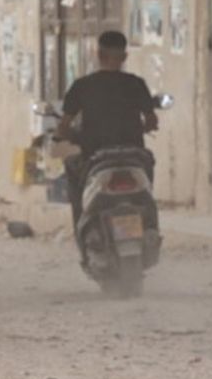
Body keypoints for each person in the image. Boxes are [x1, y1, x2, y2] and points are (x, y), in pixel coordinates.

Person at [56, 31, 158, 231]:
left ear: (98, 55)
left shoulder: (82, 86)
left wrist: (66, 135)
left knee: (71, 167)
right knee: (147, 175)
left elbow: (64, 125)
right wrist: (143, 127)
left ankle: (80, 225)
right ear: (124, 57)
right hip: (133, 154)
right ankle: (150, 226)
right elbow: (152, 120)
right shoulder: (136, 84)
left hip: (94, 156)